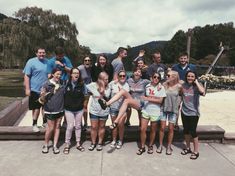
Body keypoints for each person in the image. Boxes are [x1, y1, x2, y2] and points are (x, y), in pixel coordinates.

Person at [136, 72, 166, 155]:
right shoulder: (147, 86)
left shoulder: (161, 88)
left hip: (155, 112)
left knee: (153, 130)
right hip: (146, 110)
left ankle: (150, 145)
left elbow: (160, 101)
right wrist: (149, 98)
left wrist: (148, 98)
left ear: (160, 79)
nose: (156, 78)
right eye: (154, 77)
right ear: (151, 78)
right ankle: (142, 147)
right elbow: (145, 97)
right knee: (142, 129)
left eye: (158, 77)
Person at [180, 70, 205, 160]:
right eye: (188, 76)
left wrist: (197, 82)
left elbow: (203, 92)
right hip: (184, 112)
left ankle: (196, 151)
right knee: (186, 131)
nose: (190, 78)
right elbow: (180, 96)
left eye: (192, 76)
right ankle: (188, 148)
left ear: (195, 78)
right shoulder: (183, 86)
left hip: (194, 113)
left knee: (193, 132)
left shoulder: (197, 86)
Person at [23, 47, 48, 132]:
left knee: (45, 108)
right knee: (36, 108)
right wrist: (27, 88)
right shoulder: (31, 62)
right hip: (34, 89)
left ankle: (45, 122)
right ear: (36, 53)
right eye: (40, 53)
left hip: (45, 90)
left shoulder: (47, 62)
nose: (42, 54)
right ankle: (34, 124)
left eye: (43, 53)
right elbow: (27, 75)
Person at [157, 70, 182, 155]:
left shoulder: (179, 86)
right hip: (163, 108)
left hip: (173, 110)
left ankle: (168, 146)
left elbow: (182, 96)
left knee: (171, 129)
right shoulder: (164, 85)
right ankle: (160, 145)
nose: (167, 77)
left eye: (169, 76)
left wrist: (178, 105)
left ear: (174, 77)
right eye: (167, 75)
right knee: (162, 128)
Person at [41, 68, 65, 154]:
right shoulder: (46, 84)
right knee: (50, 128)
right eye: (57, 74)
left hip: (60, 109)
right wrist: (45, 94)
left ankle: (55, 145)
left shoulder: (62, 83)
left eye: (60, 74)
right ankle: (46, 145)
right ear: (53, 74)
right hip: (50, 110)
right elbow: (42, 99)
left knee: (57, 127)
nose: (59, 76)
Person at [86, 72, 111, 151]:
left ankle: (100, 143)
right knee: (93, 127)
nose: (107, 81)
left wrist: (103, 86)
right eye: (105, 79)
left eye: (107, 79)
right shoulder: (93, 85)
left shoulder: (109, 87)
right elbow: (86, 87)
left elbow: (106, 96)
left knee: (102, 127)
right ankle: (93, 143)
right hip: (94, 110)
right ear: (100, 79)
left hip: (104, 111)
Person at [63, 68, 86, 154]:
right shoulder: (66, 83)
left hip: (79, 109)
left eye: (78, 73)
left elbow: (86, 95)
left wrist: (85, 106)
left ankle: (78, 143)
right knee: (69, 126)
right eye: (74, 73)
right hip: (69, 109)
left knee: (78, 126)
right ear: (71, 74)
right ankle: (67, 144)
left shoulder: (82, 85)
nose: (76, 75)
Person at [172, 52, 196, 130]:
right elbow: (171, 78)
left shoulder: (192, 67)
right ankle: (175, 124)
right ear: (179, 59)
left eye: (184, 58)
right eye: (181, 58)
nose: (183, 60)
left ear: (187, 59)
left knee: (189, 107)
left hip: (189, 91)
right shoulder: (175, 67)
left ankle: (189, 125)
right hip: (178, 91)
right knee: (176, 107)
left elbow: (195, 78)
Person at [109, 70, 130, 149]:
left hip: (122, 109)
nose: (122, 77)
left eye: (124, 76)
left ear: (126, 77)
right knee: (114, 125)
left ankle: (120, 140)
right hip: (113, 108)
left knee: (121, 125)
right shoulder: (112, 84)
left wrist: (121, 90)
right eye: (120, 76)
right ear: (118, 76)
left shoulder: (127, 85)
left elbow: (126, 96)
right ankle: (114, 140)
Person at [78, 56, 92, 130]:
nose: (87, 61)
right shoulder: (80, 68)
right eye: (85, 60)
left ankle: (85, 123)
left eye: (88, 60)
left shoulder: (91, 68)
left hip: (87, 91)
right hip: (79, 90)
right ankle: (79, 123)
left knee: (85, 107)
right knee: (79, 107)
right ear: (83, 61)